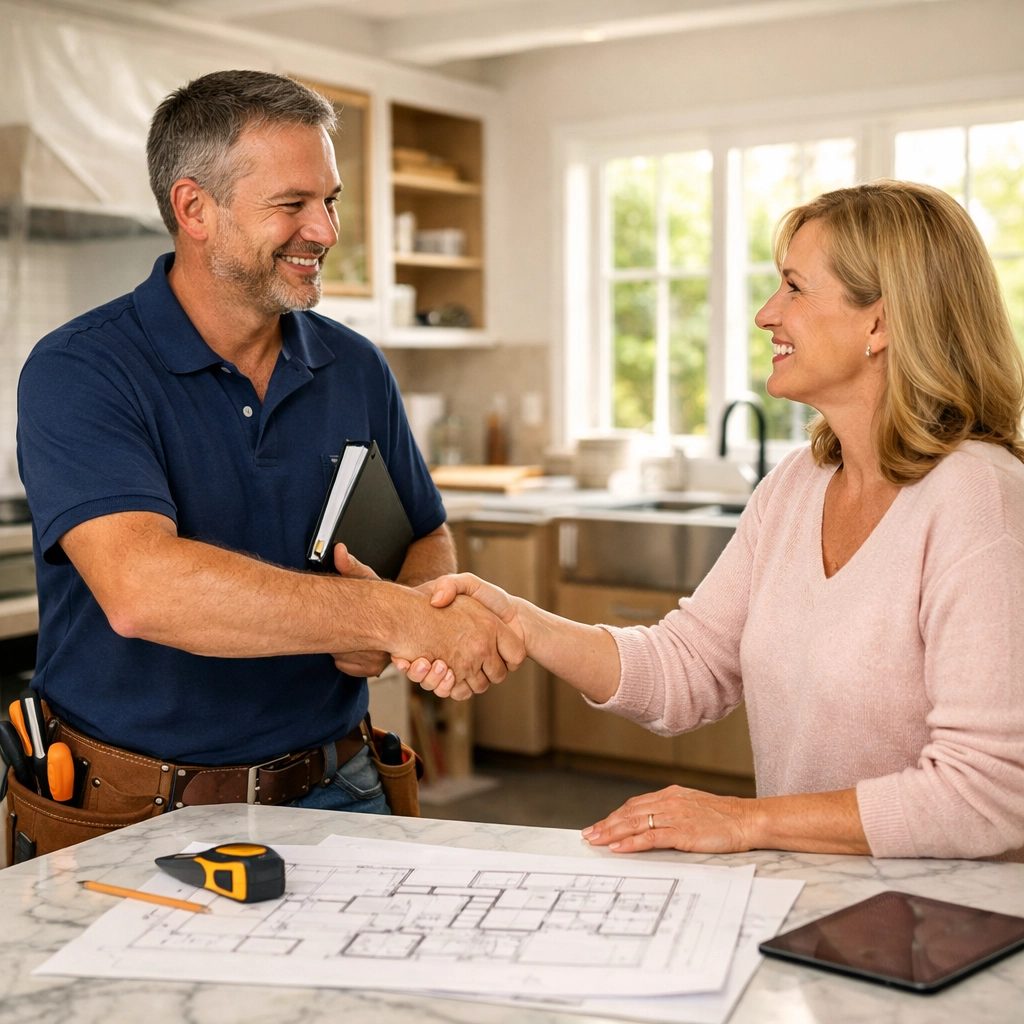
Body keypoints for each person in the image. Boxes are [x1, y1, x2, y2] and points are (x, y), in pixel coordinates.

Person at [400, 180, 1024, 859]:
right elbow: (687, 668)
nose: (765, 314)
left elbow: (986, 795)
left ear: (880, 322)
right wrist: (519, 621)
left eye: (793, 287)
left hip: (947, 931)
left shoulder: (978, 501)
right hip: (814, 902)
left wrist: (749, 821)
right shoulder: (796, 485)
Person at [16, 70, 523, 816]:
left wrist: (407, 609)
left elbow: (425, 532)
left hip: (341, 784)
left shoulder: (355, 366)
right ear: (195, 208)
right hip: (133, 807)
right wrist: (386, 617)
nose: (325, 231)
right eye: (292, 204)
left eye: (330, 201)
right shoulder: (82, 369)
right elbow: (143, 590)